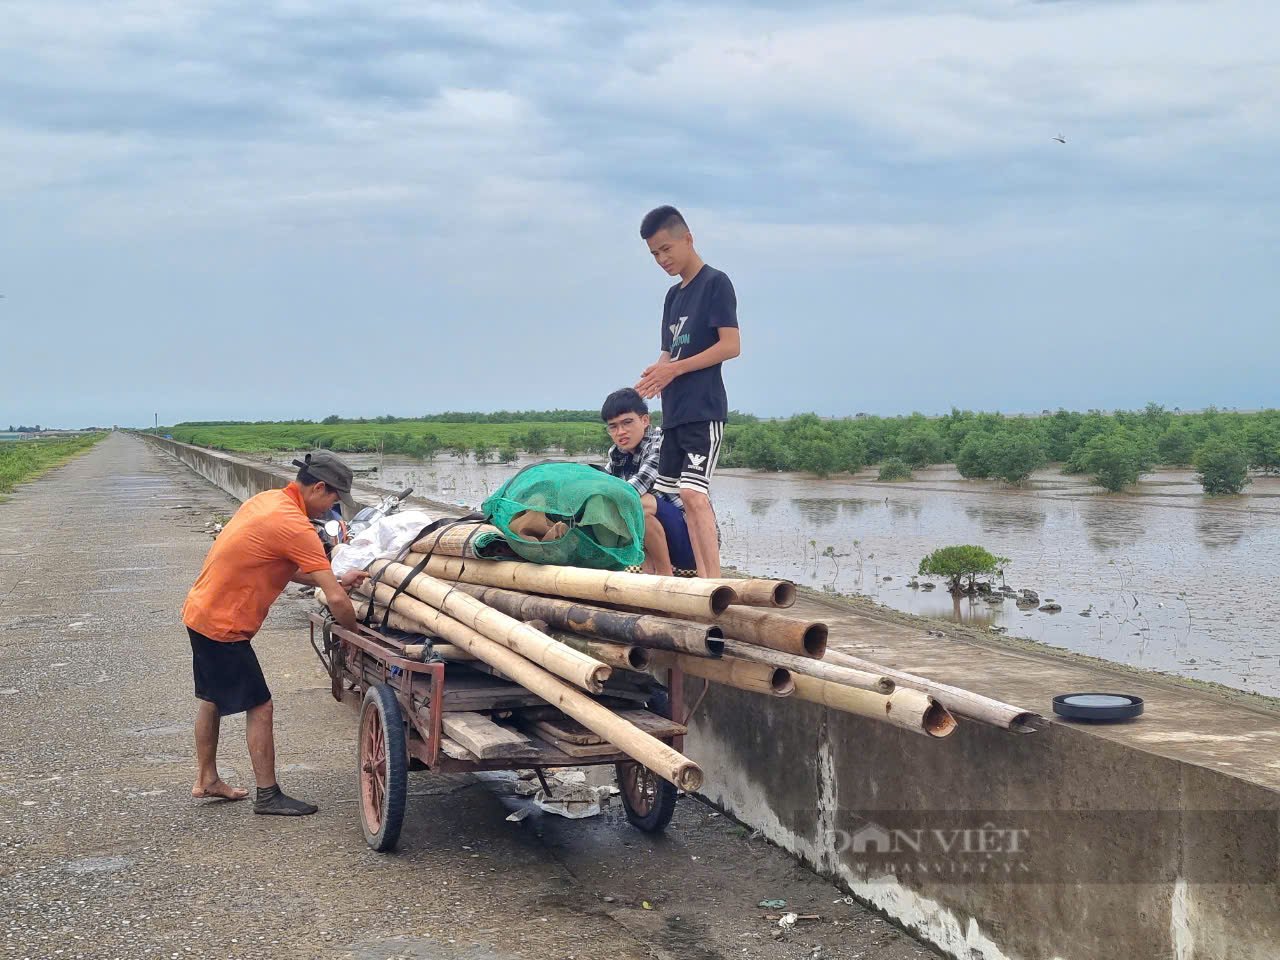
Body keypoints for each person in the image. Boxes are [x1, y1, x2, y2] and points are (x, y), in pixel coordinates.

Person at [182, 451, 368, 816]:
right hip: (225, 626)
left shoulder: (267, 501)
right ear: (318, 487)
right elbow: (336, 600)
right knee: (260, 705)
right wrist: (355, 638)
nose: (334, 508)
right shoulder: (296, 527)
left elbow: (276, 564)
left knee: (212, 698)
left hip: (201, 611)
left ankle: (206, 778)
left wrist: (335, 577)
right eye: (334, 499)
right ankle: (268, 795)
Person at [635, 205, 741, 578]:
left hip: (703, 409)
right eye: (654, 254)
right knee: (660, 498)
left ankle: (712, 585)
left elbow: (731, 345)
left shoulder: (715, 283)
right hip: (674, 413)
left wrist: (675, 369)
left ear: (688, 238)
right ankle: (669, 576)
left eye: (666, 249)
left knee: (695, 495)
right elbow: (670, 351)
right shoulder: (672, 297)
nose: (662, 259)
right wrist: (656, 374)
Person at [600, 387, 697, 577]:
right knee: (619, 506)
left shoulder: (660, 444)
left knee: (636, 503)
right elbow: (606, 485)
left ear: (645, 420)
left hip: (690, 542)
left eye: (627, 423)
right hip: (658, 536)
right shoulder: (616, 453)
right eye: (613, 426)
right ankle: (648, 570)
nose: (621, 432)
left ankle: (664, 574)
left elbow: (635, 488)